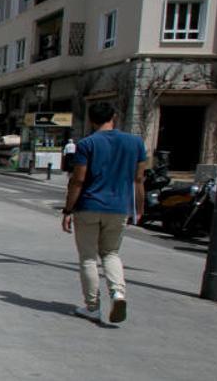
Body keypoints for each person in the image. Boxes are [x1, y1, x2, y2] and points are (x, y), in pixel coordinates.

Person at [61, 102, 146, 325]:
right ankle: (118, 294)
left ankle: (92, 307)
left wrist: (68, 209)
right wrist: (139, 207)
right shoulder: (135, 143)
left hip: (89, 206)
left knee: (88, 258)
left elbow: (78, 180)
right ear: (114, 117)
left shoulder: (87, 144)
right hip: (119, 208)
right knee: (110, 253)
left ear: (91, 120)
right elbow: (139, 179)